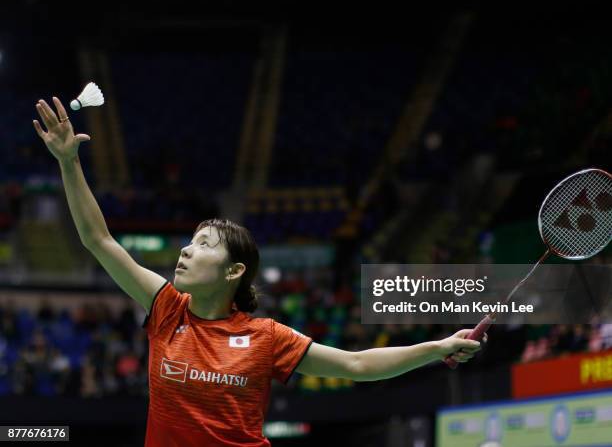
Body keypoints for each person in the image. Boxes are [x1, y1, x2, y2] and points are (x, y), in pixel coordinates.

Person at [33, 97, 484, 447]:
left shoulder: (266, 337)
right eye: (190, 242)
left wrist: (437, 347)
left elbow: (357, 364)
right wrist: (69, 163)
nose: (186, 252)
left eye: (204, 245)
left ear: (234, 271)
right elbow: (100, 240)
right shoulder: (167, 308)